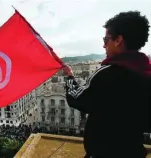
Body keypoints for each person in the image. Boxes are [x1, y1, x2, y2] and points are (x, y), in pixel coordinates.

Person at [63, 11, 151, 158]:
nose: (104, 46)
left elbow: (77, 99)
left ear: (118, 40)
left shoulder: (108, 74)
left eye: (106, 39)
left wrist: (69, 77)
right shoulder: (146, 73)